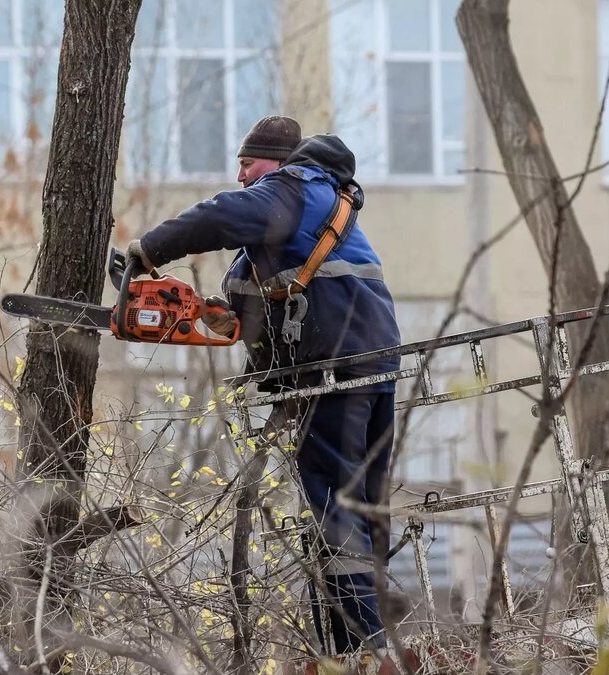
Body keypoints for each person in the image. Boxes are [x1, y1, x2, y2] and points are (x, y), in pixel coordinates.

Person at [126, 116, 401, 654]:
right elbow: (280, 293)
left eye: (248, 163)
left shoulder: (290, 189)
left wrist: (147, 251)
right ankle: (355, 645)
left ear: (275, 163)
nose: (242, 174)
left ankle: (366, 652)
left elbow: (220, 215)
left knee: (337, 508)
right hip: (374, 362)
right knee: (364, 507)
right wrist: (225, 315)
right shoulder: (319, 207)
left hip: (332, 370)